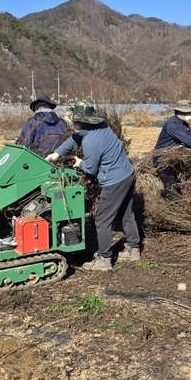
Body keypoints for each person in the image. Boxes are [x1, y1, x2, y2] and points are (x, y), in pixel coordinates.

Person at [46, 105, 141, 271]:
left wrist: (79, 163)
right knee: (127, 213)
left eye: (74, 120)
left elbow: (90, 169)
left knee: (102, 220)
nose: (72, 123)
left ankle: (104, 258)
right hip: (128, 174)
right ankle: (134, 249)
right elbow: (76, 138)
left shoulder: (91, 143)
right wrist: (57, 153)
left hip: (113, 182)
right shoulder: (101, 126)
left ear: (81, 122)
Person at [152, 100, 191, 198]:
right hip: (162, 158)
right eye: (188, 112)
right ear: (181, 111)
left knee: (181, 181)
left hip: (174, 156)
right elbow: (186, 140)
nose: (190, 114)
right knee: (171, 184)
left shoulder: (184, 124)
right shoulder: (172, 124)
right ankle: (172, 203)